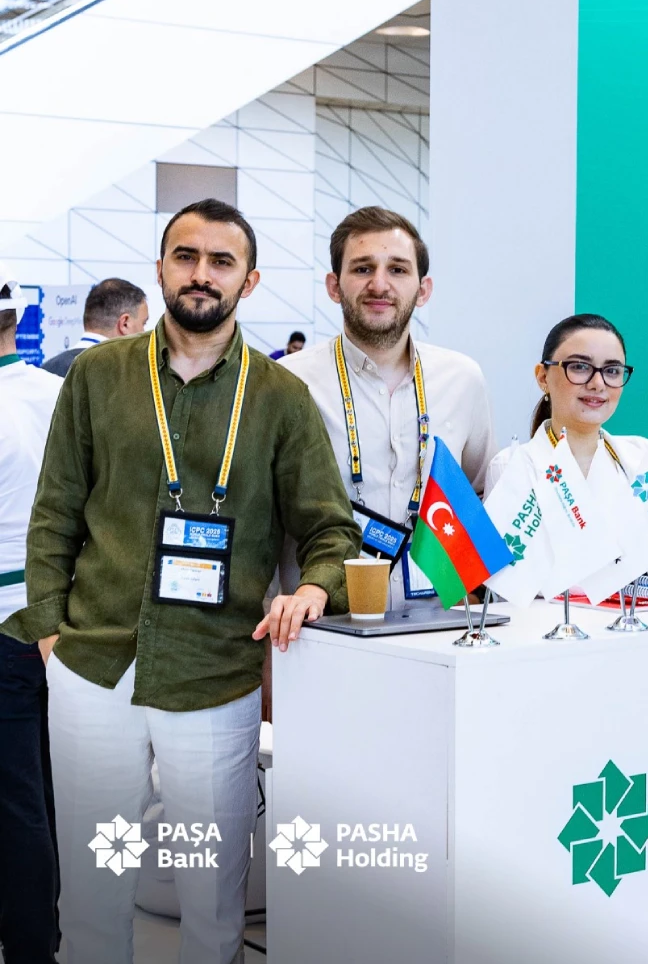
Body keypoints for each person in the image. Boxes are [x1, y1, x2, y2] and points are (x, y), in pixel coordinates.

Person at [0, 198, 361, 963]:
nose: (202, 273)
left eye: (221, 261)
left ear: (249, 280)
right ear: (161, 268)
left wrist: (314, 587)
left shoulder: (280, 397)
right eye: (186, 256)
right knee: (92, 896)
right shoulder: (98, 375)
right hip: (93, 665)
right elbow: (55, 511)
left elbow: (330, 528)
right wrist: (51, 635)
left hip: (214, 673)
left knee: (213, 904)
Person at [279, 206, 495, 608]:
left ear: (423, 290)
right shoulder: (289, 382)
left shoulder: (462, 379)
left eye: (397, 269)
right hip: (324, 624)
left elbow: (479, 494)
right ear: (334, 286)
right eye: (363, 269)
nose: (379, 284)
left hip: (437, 622)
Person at [0, 263, 62, 964]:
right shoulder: (57, 393)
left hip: (5, 627)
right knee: (42, 792)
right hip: (57, 622)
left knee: (15, 803)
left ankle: (28, 946)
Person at [485, 313, 648, 518]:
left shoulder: (646, 459)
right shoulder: (511, 466)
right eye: (580, 367)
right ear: (543, 377)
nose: (598, 383)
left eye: (612, 370)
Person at [41, 276, 148, 377]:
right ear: (124, 324)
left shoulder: (46, 370)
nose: (144, 332)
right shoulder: (122, 376)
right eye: (143, 323)